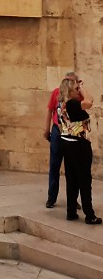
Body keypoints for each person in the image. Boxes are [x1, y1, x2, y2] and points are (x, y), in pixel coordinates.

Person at [58, 75, 101, 224]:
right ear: (69, 91)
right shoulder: (72, 104)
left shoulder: (62, 104)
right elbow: (90, 101)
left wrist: (79, 88)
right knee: (84, 179)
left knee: (72, 179)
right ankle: (89, 215)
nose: (78, 91)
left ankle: (71, 211)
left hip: (67, 142)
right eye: (76, 89)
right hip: (78, 144)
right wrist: (82, 87)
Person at [44, 70, 79, 209]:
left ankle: (73, 199)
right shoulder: (56, 93)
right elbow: (49, 110)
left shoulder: (77, 95)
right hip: (57, 131)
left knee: (72, 168)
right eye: (66, 80)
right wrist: (47, 129)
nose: (67, 83)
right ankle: (51, 197)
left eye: (71, 81)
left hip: (71, 132)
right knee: (54, 165)